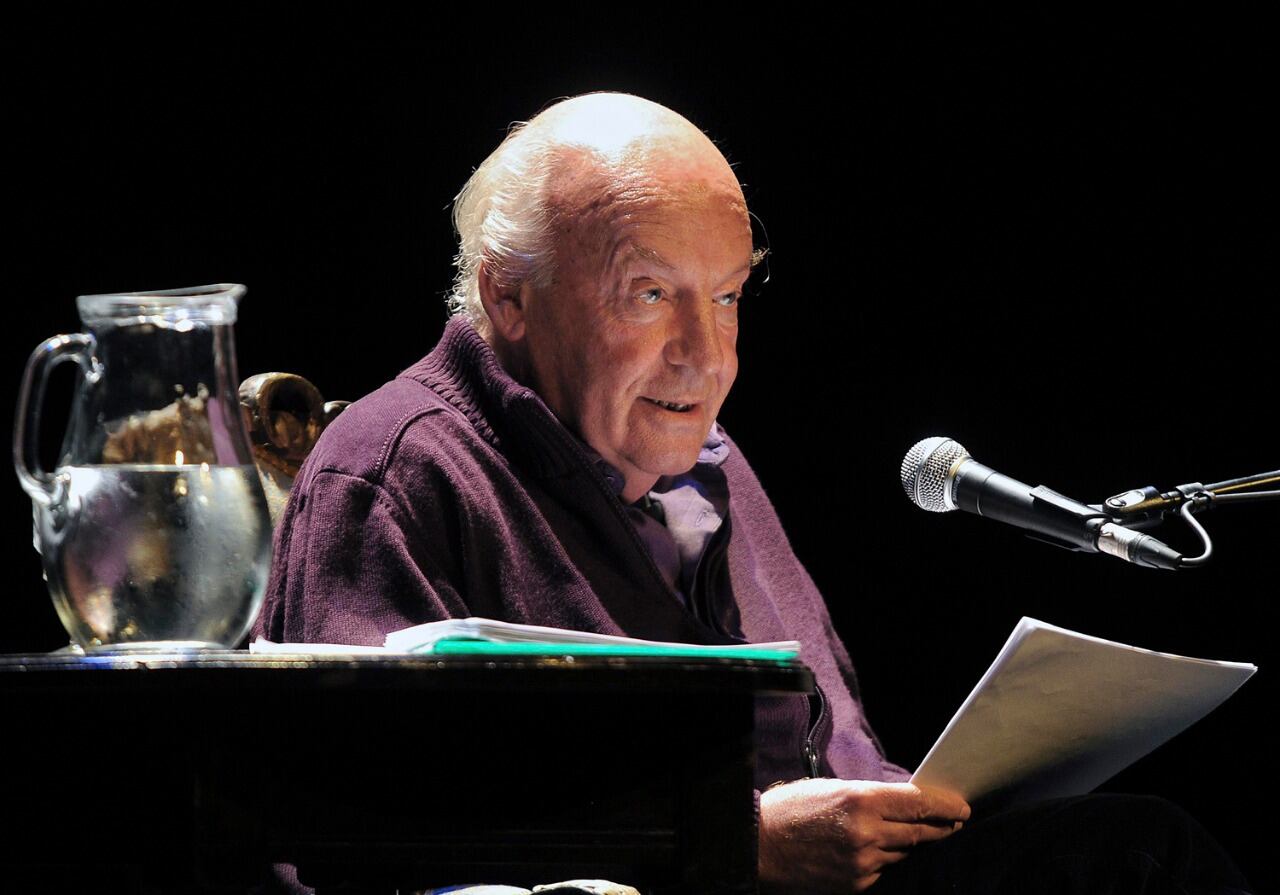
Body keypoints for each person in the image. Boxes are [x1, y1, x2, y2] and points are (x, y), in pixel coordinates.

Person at [257, 93, 1251, 894]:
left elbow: (831, 751)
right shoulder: (393, 470)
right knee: (1142, 856)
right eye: (650, 294)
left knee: (1124, 846)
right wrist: (733, 839)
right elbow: (354, 822)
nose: (706, 355)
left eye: (728, 295)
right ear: (507, 294)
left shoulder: (709, 460)